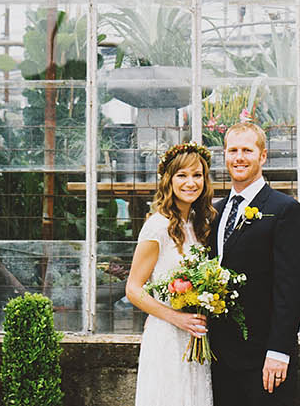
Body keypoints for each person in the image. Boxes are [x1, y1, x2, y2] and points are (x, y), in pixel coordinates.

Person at [208, 122, 300, 403]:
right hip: (217, 356)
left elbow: (291, 287)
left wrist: (278, 351)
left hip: (263, 359)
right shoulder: (214, 211)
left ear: (263, 156)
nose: (239, 157)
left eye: (247, 150)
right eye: (233, 150)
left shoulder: (286, 210)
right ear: (225, 155)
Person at [126, 140, 216, 406]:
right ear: (169, 181)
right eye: (182, 175)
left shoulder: (201, 226)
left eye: (197, 175)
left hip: (196, 335)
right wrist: (176, 318)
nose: (191, 183)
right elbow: (133, 288)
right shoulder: (157, 226)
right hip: (167, 335)